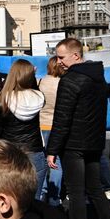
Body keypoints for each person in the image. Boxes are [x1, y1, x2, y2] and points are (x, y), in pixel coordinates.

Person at [46, 38, 110, 219]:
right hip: (94, 142)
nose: (58, 61)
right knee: (96, 190)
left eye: (61, 57)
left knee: (77, 193)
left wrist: (52, 150)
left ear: (75, 56)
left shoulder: (71, 80)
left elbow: (62, 118)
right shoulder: (99, 77)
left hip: (74, 144)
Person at [0, 59, 47, 200]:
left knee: (10, 197)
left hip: (9, 151)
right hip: (34, 149)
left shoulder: (1, 99)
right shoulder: (39, 97)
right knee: (34, 199)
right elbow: (35, 92)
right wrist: (32, 77)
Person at [38, 56, 65, 207]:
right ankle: (55, 197)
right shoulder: (63, 83)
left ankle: (42, 192)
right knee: (57, 162)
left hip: (41, 124)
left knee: (42, 160)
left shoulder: (41, 81)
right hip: (57, 125)